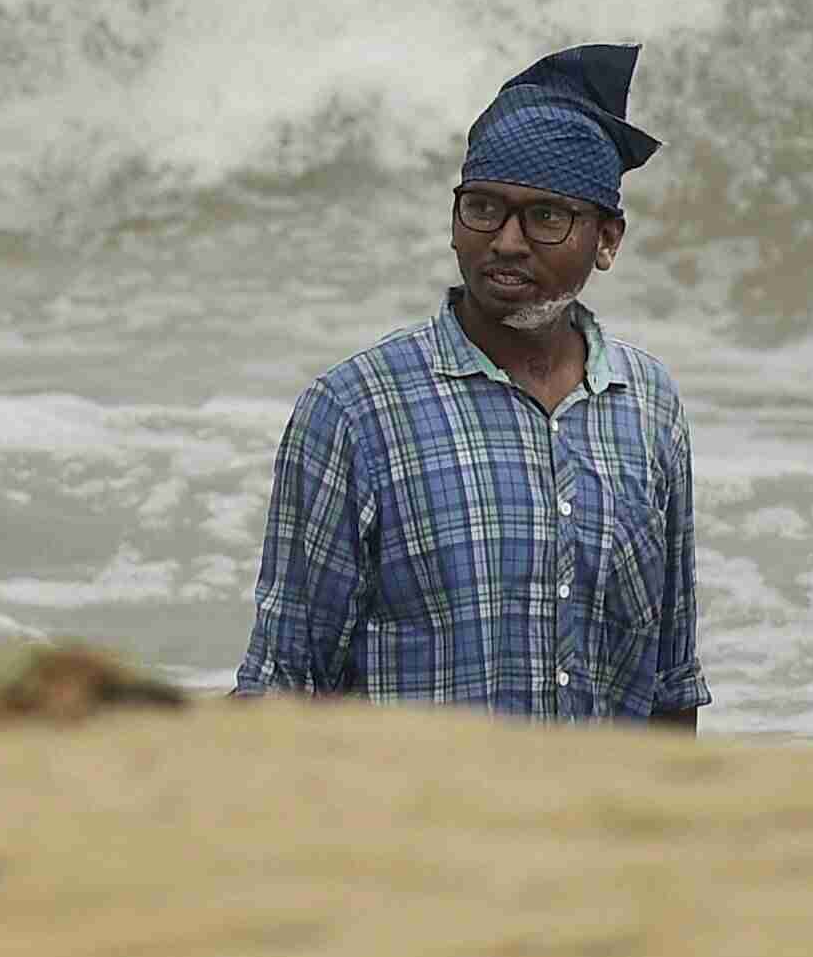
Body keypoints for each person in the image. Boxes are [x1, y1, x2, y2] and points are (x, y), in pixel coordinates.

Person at [232, 44, 706, 727]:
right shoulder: (358, 411)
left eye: (546, 217)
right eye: (483, 208)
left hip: (600, 826)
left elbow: (670, 683)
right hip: (419, 826)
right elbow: (284, 679)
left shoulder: (649, 407)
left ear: (607, 240)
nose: (507, 241)